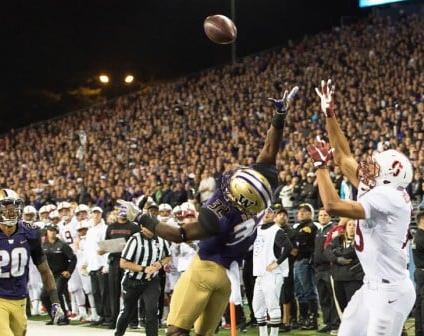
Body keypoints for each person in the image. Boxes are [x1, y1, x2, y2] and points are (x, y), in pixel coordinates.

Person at [121, 86, 297, 336]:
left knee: (176, 331)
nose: (240, 168)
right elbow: (270, 149)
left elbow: (180, 235)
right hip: (227, 278)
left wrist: (141, 217)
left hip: (204, 268)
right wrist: (279, 116)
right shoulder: (261, 193)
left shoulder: (220, 213)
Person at [307, 79, 415, 336]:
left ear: (388, 178)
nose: (369, 167)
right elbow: (343, 157)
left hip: (390, 293)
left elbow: (332, 207)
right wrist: (330, 115)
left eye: (377, 167)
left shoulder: (389, 197)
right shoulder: (380, 187)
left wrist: (320, 168)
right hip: (372, 286)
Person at [0, 188, 65, 336]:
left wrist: (55, 301)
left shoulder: (30, 233)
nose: (11, 211)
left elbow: (45, 270)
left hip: (19, 298)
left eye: (14, 206)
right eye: (5, 206)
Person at [116, 227, 172, 336]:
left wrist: (160, 263)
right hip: (133, 280)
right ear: (142, 227)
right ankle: (118, 334)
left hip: (151, 280)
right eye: (147, 225)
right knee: (127, 312)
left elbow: (168, 256)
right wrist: (143, 268)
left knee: (152, 311)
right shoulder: (135, 239)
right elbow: (123, 263)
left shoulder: (161, 239)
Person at [252, 208, 292, 336]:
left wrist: (277, 263)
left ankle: (273, 334)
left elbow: (288, 247)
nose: (266, 214)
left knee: (272, 306)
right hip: (260, 274)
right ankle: (263, 333)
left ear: (274, 215)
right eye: (264, 212)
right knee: (257, 306)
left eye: (269, 212)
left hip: (272, 275)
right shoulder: (257, 230)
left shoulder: (276, 230)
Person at [291, 202, 319, 330]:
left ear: (310, 213)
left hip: (305, 261)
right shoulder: (298, 227)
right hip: (297, 261)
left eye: (304, 211)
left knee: (309, 290)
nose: (301, 213)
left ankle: (313, 319)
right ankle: (304, 318)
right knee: (300, 291)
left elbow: (303, 242)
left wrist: (297, 247)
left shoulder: (311, 226)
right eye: (299, 211)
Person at [40, 224, 75, 325]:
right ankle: (54, 317)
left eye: (54, 230)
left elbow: (73, 258)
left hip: (61, 274)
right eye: (51, 230)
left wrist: (69, 271)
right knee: (44, 296)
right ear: (46, 232)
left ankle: (64, 318)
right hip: (49, 275)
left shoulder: (62, 245)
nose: (53, 232)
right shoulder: (44, 245)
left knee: (57, 293)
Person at [312, 209, 338, 334]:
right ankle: (327, 322)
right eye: (320, 215)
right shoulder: (319, 230)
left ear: (330, 217)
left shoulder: (333, 230)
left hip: (329, 269)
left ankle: (335, 324)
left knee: (333, 298)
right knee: (323, 298)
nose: (322, 217)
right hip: (318, 269)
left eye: (325, 215)